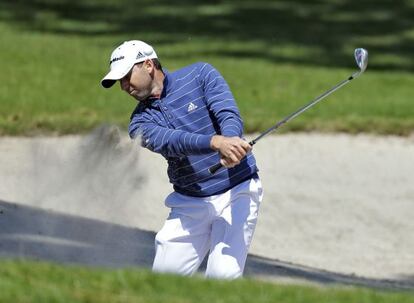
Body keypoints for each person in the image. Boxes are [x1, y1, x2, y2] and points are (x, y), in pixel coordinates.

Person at [101, 40, 263, 279]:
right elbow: (173, 140)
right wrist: (215, 143)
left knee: (222, 277)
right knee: (164, 281)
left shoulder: (200, 74)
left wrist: (230, 142)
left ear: (148, 65)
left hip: (237, 190)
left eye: (126, 76)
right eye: (119, 82)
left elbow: (227, 113)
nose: (124, 86)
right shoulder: (139, 124)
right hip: (190, 202)